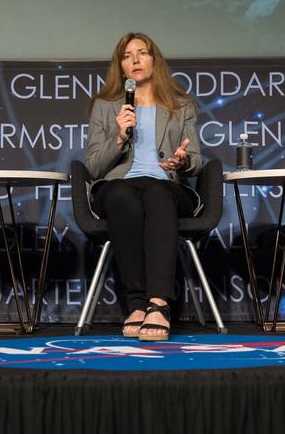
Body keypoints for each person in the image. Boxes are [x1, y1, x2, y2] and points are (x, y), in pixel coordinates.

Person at [84, 32, 202, 341]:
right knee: (123, 195)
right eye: (127, 56)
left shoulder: (181, 105)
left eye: (142, 52)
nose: (135, 59)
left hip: (167, 184)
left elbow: (196, 159)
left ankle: (158, 304)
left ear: (154, 60)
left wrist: (182, 161)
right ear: (121, 67)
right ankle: (136, 304)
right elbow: (95, 166)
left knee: (157, 193)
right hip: (120, 184)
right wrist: (119, 138)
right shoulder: (105, 106)